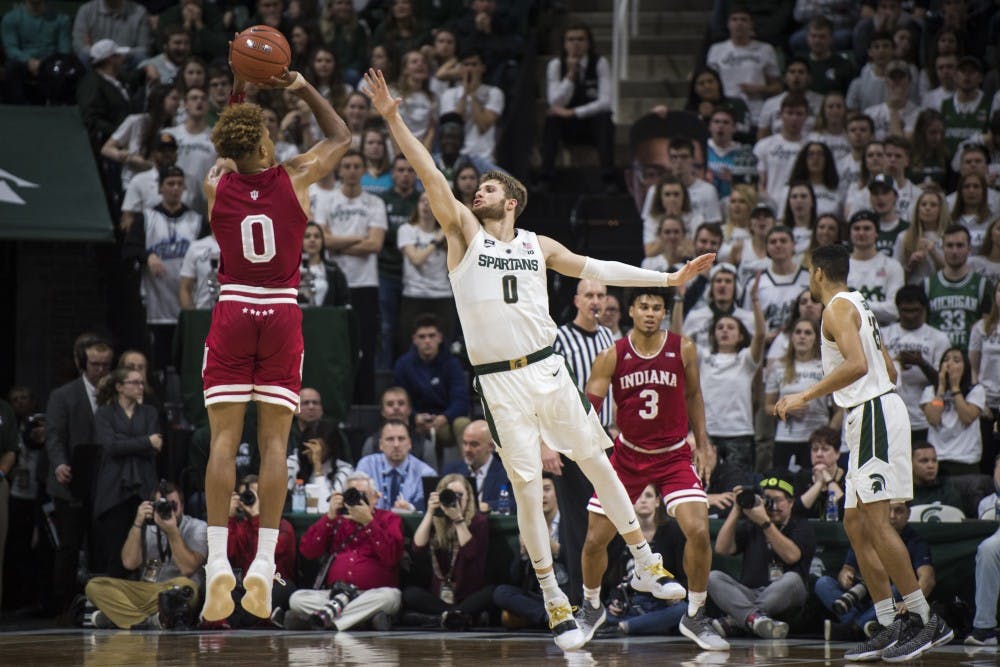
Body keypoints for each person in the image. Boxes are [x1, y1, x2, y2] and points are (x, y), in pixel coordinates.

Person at [364, 67, 716, 651]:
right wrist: (393, 118)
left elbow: (601, 270)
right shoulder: (462, 234)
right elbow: (429, 172)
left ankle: (646, 561)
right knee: (529, 492)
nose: (479, 191)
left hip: (548, 367)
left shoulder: (537, 245)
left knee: (598, 459)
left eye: (490, 188)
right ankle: (555, 595)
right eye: (477, 188)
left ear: (514, 200)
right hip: (499, 385)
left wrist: (669, 276)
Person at [198, 65, 353, 624]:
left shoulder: (215, 186)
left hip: (233, 307)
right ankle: (262, 566)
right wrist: (303, 87)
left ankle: (219, 564)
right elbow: (341, 136)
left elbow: (229, 139)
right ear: (264, 141)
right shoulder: (297, 175)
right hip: (281, 313)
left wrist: (237, 94)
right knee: (274, 446)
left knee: (222, 442)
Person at [774, 243, 953, 661]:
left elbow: (857, 366)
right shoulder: (860, 304)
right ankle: (889, 623)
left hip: (871, 412)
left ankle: (926, 620)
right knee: (855, 525)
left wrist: (805, 395)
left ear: (818, 273)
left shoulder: (835, 308)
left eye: (807, 271)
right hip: (869, 412)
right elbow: (888, 369)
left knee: (875, 522)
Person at [579, 287, 728, 651]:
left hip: (675, 454)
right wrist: (587, 447)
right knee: (595, 538)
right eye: (643, 306)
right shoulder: (611, 355)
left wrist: (703, 443)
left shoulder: (684, 348)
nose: (649, 313)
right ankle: (591, 605)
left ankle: (695, 613)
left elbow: (693, 396)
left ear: (664, 311)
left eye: (656, 307)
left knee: (698, 529)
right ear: (631, 310)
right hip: (628, 455)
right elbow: (588, 407)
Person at [549, 278, 616, 606]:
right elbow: (545, 392)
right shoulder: (560, 337)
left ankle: (609, 596)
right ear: (576, 300)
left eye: (601, 295)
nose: (595, 300)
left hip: (605, 440)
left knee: (611, 520)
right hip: (572, 441)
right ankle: (580, 601)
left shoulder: (608, 335)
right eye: (589, 294)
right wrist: (547, 444)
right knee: (578, 524)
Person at [45, 334, 114, 613]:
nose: (100, 370)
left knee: (101, 544)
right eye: (95, 364)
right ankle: (61, 606)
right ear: (83, 364)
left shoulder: (114, 394)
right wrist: (59, 463)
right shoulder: (63, 395)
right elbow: (54, 436)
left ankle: (100, 603)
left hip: (103, 481)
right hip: (71, 480)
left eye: (105, 364)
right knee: (69, 546)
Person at [285, 471, 403, 631]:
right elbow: (308, 551)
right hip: (336, 595)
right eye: (353, 494)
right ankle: (362, 620)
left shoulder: (388, 519)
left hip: (370, 595)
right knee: (296, 599)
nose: (357, 500)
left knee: (391, 597)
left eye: (363, 495)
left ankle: (323, 620)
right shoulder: (337, 521)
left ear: (375, 497)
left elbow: (392, 557)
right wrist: (329, 517)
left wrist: (369, 523)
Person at [84, 481, 207, 629]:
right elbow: (129, 563)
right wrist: (138, 522)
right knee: (95, 585)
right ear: (152, 506)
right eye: (161, 506)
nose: (168, 510)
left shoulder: (197, 528)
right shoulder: (146, 530)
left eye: (173, 505)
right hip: (148, 593)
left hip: (177, 591)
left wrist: (172, 531)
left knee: (188, 588)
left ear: (182, 505)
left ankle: (122, 617)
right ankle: (149, 620)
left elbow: (188, 568)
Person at [708, 473, 817, 639]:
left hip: (786, 596)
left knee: (792, 579)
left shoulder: (801, 526)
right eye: (767, 499)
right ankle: (755, 619)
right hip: (750, 593)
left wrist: (766, 523)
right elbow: (722, 548)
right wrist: (737, 510)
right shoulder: (752, 524)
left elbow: (791, 556)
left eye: (778, 500)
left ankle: (737, 620)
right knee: (712, 577)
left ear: (791, 502)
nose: (772, 506)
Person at [122, 165, 204, 372]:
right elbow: (129, 250)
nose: (175, 188)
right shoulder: (146, 219)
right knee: (159, 362)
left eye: (179, 184)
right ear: (160, 188)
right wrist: (147, 255)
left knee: (186, 362)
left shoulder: (196, 221)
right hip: (156, 303)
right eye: (170, 184)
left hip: (190, 304)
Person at [320, 148, 387, 403]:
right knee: (336, 348)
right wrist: (360, 237)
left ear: (364, 170)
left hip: (366, 283)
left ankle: (365, 403)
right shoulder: (326, 202)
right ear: (339, 169)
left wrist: (339, 243)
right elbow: (323, 240)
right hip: (336, 281)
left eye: (356, 166)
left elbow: (375, 245)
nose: (351, 171)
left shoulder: (375, 203)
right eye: (346, 166)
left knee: (365, 346)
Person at [815, 501, 934, 637]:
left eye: (898, 511)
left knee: (898, 587)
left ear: (908, 514)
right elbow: (847, 569)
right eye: (888, 510)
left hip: (891, 599)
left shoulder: (916, 542)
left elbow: (928, 578)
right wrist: (845, 577)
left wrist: (911, 602)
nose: (892, 515)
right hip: (862, 594)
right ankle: (862, 624)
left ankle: (852, 628)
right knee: (823, 583)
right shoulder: (865, 535)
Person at [91, 367, 161, 577]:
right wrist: (145, 441)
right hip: (114, 491)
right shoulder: (104, 413)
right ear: (120, 387)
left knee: (146, 552)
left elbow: (156, 446)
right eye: (134, 382)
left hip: (144, 486)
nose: (140, 387)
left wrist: (126, 442)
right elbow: (110, 447)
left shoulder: (149, 412)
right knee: (116, 555)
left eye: (141, 382)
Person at [403, 474, 493, 629]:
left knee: (493, 592)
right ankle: (457, 615)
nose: (456, 500)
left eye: (460, 495)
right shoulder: (437, 519)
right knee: (409, 593)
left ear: (469, 497)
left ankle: (439, 618)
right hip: (438, 595)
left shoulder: (478, 521)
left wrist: (458, 519)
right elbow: (417, 547)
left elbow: (470, 553)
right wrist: (430, 512)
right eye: (451, 495)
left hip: (468, 594)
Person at [540, 20, 615, 191]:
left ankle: (608, 177)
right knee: (552, 119)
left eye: (580, 39)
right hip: (567, 127)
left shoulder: (600, 63)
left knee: (605, 118)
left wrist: (574, 112)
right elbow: (555, 102)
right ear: (564, 43)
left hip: (591, 123)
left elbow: (605, 101)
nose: (576, 44)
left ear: (588, 43)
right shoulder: (556, 65)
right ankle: (545, 178)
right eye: (571, 39)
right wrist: (570, 76)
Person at [392, 314, 470, 468]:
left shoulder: (452, 364)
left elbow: (461, 401)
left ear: (440, 337)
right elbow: (398, 399)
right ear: (414, 339)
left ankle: (467, 471)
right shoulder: (403, 365)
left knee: (463, 423)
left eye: (431, 336)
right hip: (414, 423)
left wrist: (444, 418)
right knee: (397, 416)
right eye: (422, 337)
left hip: (445, 422)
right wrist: (415, 417)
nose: (427, 341)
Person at [220, 474, 297, 627]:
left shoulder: (283, 526)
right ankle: (250, 622)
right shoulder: (238, 527)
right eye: (247, 495)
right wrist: (228, 517)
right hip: (245, 588)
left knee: (279, 588)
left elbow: (264, 553)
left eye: (257, 494)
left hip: (274, 585)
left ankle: (239, 621)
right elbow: (227, 555)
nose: (252, 498)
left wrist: (257, 517)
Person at [882, 286, 952, 443]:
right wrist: (894, 362)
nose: (910, 315)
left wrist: (921, 363)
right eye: (905, 310)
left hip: (925, 417)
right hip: (891, 418)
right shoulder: (883, 335)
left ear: (925, 309)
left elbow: (944, 383)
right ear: (897, 309)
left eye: (915, 310)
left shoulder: (939, 338)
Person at [764, 318, 831, 470]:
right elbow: (768, 406)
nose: (802, 336)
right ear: (791, 337)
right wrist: (786, 409)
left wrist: (828, 437)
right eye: (798, 332)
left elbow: (839, 409)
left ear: (816, 338)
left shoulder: (825, 367)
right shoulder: (779, 366)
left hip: (816, 440)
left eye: (808, 333)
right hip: (785, 438)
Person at [920, 347, 986, 477]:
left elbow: (967, 417)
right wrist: (941, 389)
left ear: (965, 366)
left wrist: (955, 387)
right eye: (946, 360)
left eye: (956, 360)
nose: (949, 364)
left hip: (966, 461)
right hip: (939, 460)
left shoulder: (976, 391)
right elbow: (933, 418)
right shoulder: (930, 391)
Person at [924, 224, 991, 348]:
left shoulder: (982, 285)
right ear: (942, 247)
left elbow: (987, 325)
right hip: (937, 355)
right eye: (949, 246)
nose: (954, 251)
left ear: (969, 248)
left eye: (960, 246)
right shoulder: (927, 285)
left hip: (969, 356)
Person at [355, 420, 436, 512]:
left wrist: (411, 509)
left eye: (401, 439)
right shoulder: (366, 465)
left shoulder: (426, 473)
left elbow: (428, 511)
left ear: (409, 443)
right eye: (390, 439)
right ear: (381, 444)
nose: (396, 445)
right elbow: (357, 503)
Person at [846, 209, 905, 326]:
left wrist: (855, 306)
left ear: (877, 232)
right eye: (856, 228)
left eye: (867, 228)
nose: (861, 233)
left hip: (884, 334)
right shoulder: (840, 266)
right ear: (850, 233)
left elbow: (894, 310)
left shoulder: (892, 266)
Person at [441, 419, 511, 512]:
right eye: (464, 443)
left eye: (474, 444)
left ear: (491, 447)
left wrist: (488, 506)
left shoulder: (506, 473)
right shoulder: (450, 471)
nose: (467, 449)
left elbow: (516, 503)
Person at [791, 426, 846, 519]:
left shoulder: (848, 479)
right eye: (815, 449)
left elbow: (846, 511)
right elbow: (796, 510)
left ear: (837, 454)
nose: (819, 454)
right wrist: (819, 483)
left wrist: (828, 479)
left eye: (825, 449)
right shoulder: (801, 477)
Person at [909, 442, 964, 508]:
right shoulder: (902, 494)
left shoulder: (947, 491)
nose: (931, 466)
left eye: (934, 460)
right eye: (924, 461)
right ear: (910, 464)